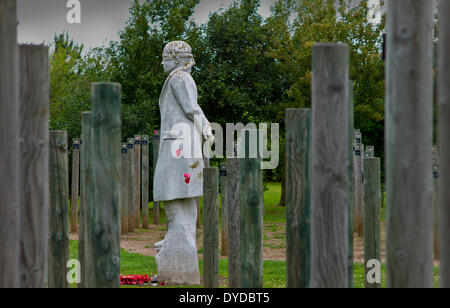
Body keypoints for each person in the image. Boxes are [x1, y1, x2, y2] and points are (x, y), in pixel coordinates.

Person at [153, 41, 213, 285]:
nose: (162, 62)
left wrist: (207, 127)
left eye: (166, 58)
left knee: (177, 202)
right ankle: (174, 250)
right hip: (182, 145)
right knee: (180, 206)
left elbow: (191, 108)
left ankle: (177, 258)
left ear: (178, 59)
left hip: (179, 148)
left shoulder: (179, 79)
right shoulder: (179, 78)